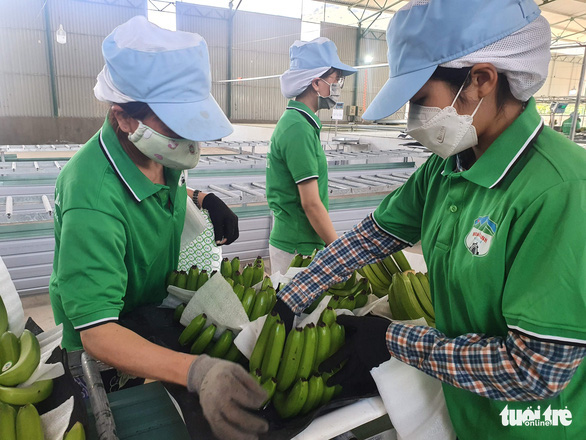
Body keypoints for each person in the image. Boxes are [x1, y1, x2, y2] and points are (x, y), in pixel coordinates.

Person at [276, 1, 586, 439]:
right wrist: (299, 289)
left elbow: (534, 373)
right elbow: (374, 236)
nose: (414, 120)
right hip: (465, 409)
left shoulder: (561, 191)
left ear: (480, 80)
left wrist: (392, 339)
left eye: (421, 101)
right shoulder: (449, 167)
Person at [49, 17, 267, 440]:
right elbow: (98, 332)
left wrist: (202, 199)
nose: (189, 140)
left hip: (144, 315)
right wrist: (196, 371)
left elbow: (164, 187)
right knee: (113, 420)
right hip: (104, 343)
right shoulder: (91, 196)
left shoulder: (155, 153)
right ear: (125, 118)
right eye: (177, 125)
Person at [266, 38, 357, 274]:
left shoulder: (301, 123)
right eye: (336, 79)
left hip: (301, 241)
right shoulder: (298, 128)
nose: (338, 85)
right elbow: (311, 203)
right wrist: (339, 251)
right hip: (297, 246)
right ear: (317, 83)